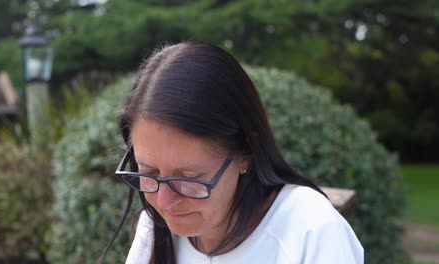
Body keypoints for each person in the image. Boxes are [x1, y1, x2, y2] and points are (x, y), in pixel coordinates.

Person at [101, 42, 363, 264]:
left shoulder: (311, 230)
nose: (164, 202)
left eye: (189, 177)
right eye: (149, 173)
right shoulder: (154, 230)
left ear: (245, 153)